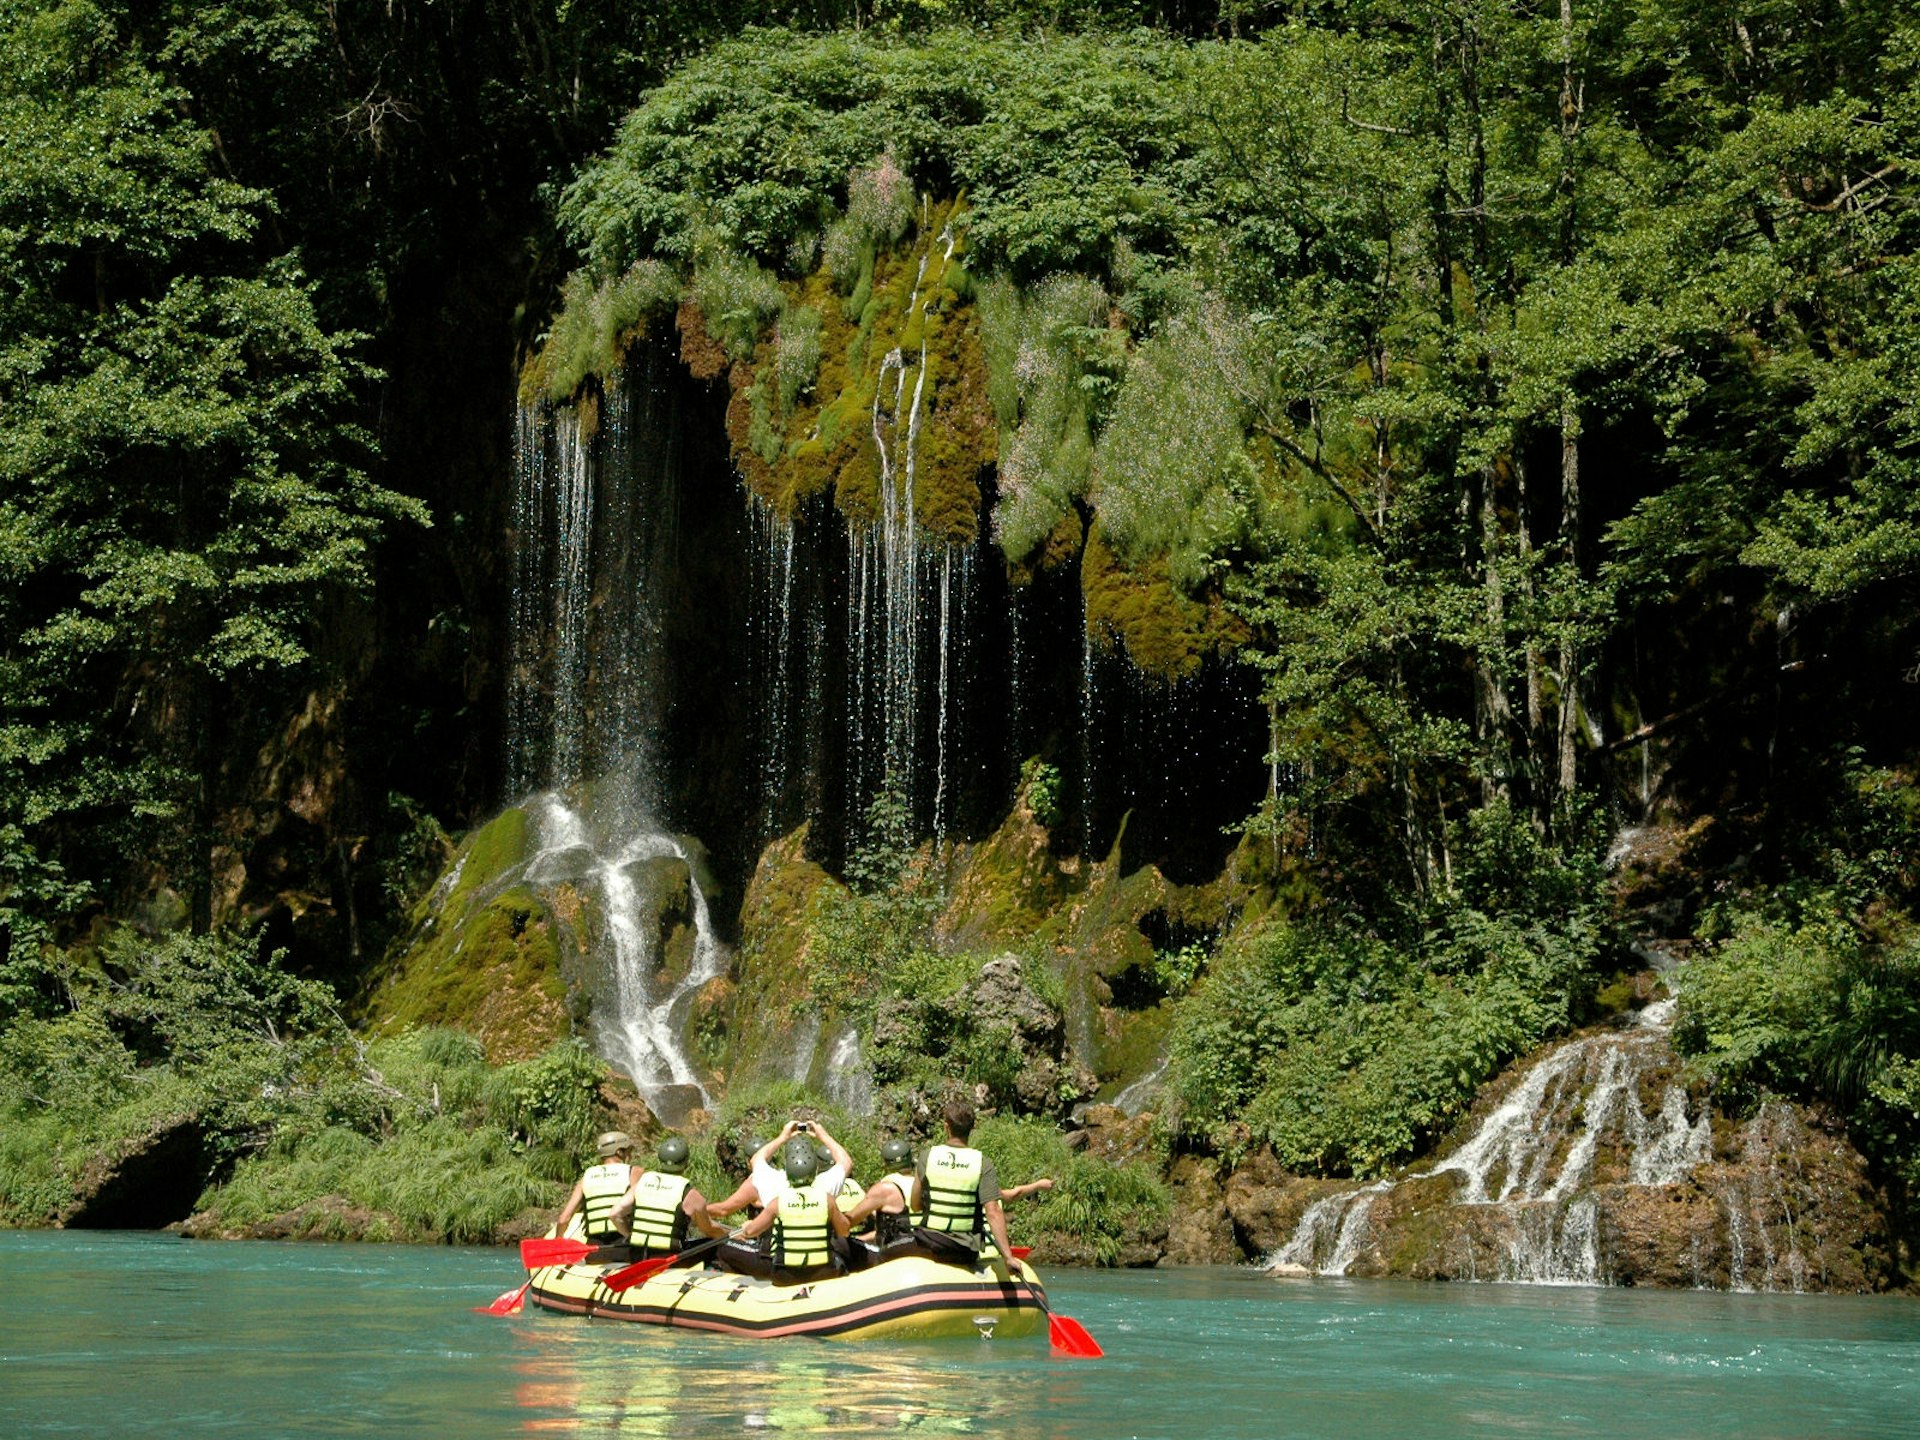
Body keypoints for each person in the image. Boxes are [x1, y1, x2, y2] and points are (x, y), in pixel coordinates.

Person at [725, 1135, 850, 1285]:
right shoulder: (827, 1200)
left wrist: (746, 1227)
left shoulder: (778, 1202)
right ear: (814, 1171)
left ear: (787, 1173)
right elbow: (844, 1231)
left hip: (786, 1276)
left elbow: (751, 1232)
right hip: (822, 1273)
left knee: (724, 1248)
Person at [909, 1099, 1016, 1267]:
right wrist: (1008, 1257)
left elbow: (915, 1205)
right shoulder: (983, 1163)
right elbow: (993, 1212)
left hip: (929, 1243)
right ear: (971, 1129)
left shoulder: (927, 1156)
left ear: (946, 1127)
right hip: (964, 1249)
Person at [610, 1135, 727, 1263]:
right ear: (686, 1163)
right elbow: (708, 1229)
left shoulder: (642, 1182)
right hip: (668, 1260)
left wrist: (629, 1236)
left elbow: (615, 1214)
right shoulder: (688, 1193)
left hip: (636, 1255)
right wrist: (729, 1236)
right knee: (712, 1244)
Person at [708, 1119, 851, 1221]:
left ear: (786, 1164)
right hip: (820, 1258)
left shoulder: (773, 1182)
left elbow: (756, 1159)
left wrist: (782, 1137)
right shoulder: (825, 1188)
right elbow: (846, 1161)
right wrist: (823, 1136)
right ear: (816, 1167)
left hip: (777, 1257)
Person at [552, 1130, 641, 1247]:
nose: (630, 1155)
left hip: (594, 1250)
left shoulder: (586, 1177)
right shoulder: (634, 1172)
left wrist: (557, 1242)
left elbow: (563, 1219)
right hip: (625, 1246)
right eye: (629, 1151)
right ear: (619, 1152)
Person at [842, 1137, 919, 1248]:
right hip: (920, 1241)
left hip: (896, 1247)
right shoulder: (920, 1184)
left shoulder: (885, 1185)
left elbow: (854, 1220)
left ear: (886, 1164)